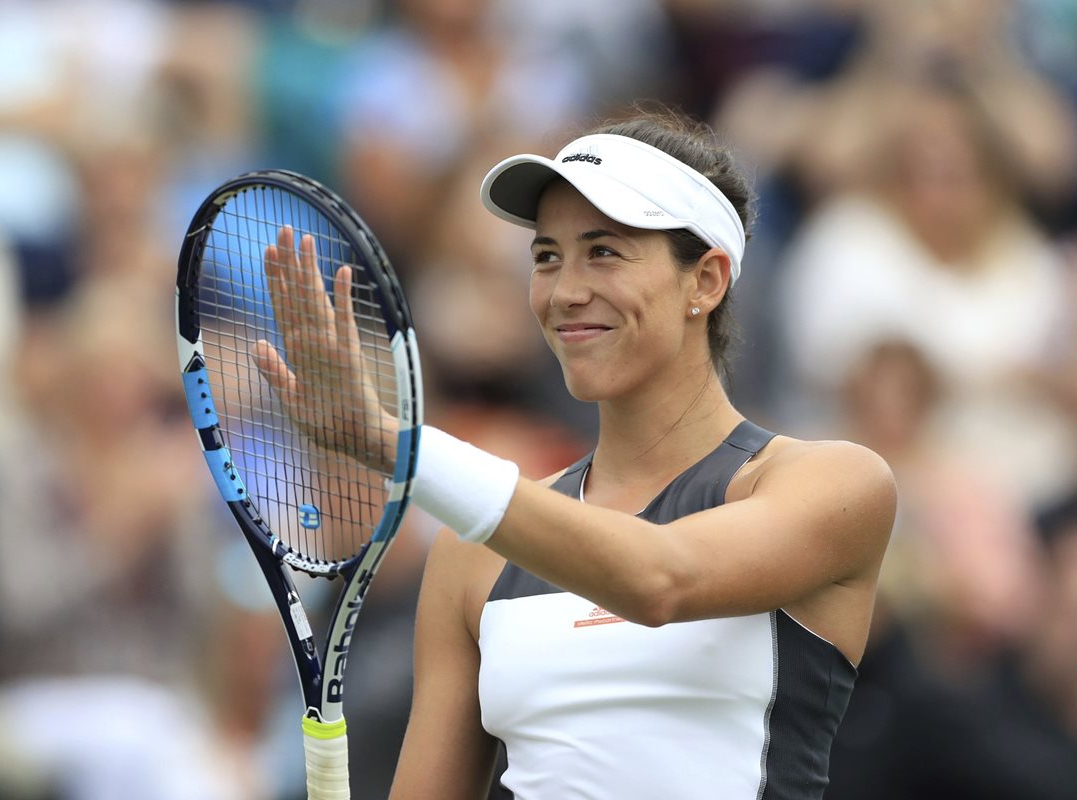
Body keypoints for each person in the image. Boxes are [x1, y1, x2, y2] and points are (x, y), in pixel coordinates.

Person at [254, 109, 896, 799]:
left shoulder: (835, 483)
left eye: (604, 251)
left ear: (705, 281)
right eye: (546, 256)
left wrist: (396, 446)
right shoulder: (470, 556)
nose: (565, 292)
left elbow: (660, 578)